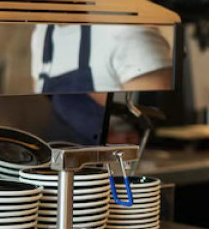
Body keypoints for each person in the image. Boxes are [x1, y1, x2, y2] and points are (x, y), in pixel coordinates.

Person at [31, 24, 173, 144]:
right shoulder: (42, 31)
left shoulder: (129, 32)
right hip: (54, 153)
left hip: (108, 159)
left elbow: (153, 118)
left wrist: (113, 137)